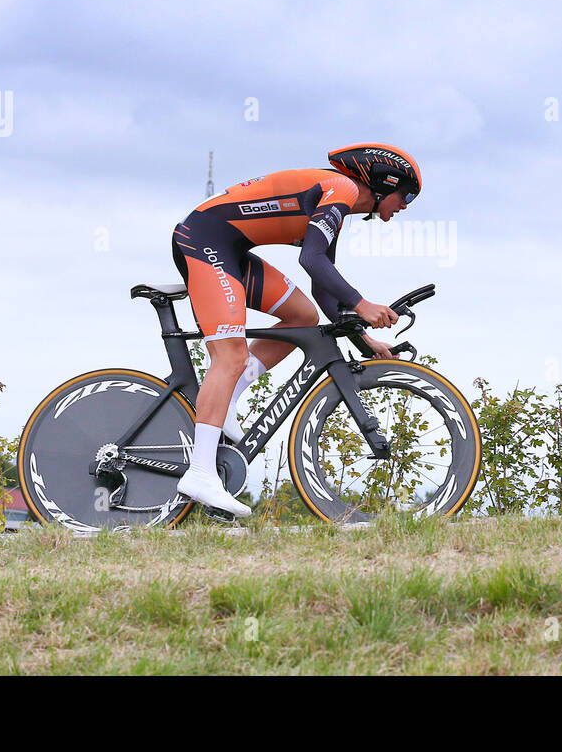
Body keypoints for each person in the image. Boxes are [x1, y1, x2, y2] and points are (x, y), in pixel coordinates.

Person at [170, 144, 423, 516]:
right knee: (231, 356)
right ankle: (201, 472)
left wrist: (365, 339)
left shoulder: (337, 204)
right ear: (386, 183)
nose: (406, 205)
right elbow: (312, 258)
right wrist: (362, 304)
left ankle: (228, 402)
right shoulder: (343, 189)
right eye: (407, 195)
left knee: (302, 316)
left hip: (231, 249)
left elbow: (322, 284)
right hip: (204, 242)